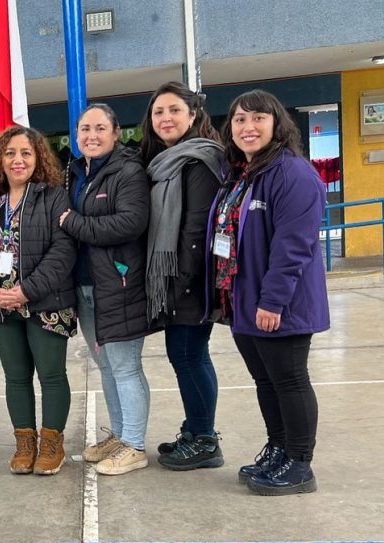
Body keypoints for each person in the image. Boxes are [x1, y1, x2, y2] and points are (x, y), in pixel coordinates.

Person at [214, 90, 329, 495]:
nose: (248, 127)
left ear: (276, 123)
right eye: (240, 120)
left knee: (290, 379)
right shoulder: (243, 173)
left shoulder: (292, 173)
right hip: (244, 301)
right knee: (267, 381)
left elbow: (293, 246)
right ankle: (279, 449)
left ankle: (300, 463)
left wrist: (272, 301)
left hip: (279, 303)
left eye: (258, 118)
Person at [0, 126, 76, 476]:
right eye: (10, 153)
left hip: (45, 303)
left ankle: (51, 443)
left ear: (38, 157)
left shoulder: (54, 196)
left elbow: (63, 251)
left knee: (51, 375)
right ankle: (25, 444)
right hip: (1, 308)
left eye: (26, 153)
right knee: (15, 378)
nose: (18, 160)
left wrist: (26, 290)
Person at [59, 104, 153, 476]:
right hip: (85, 286)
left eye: (100, 128)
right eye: (84, 129)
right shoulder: (77, 173)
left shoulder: (128, 172)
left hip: (119, 283)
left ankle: (135, 445)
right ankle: (120, 434)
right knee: (106, 366)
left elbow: (130, 222)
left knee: (126, 366)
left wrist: (74, 223)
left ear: (116, 133)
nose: (91, 136)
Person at [139, 81, 226, 471]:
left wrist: (182, 282)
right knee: (188, 356)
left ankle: (205, 440)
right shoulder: (167, 161)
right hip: (176, 275)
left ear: (193, 115)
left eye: (174, 110)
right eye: (159, 112)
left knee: (188, 356)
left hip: (188, 277)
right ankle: (195, 431)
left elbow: (195, 229)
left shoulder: (200, 160)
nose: (166, 118)